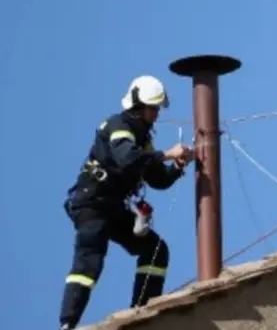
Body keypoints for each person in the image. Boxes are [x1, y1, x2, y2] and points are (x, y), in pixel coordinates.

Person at [59, 75, 193, 330]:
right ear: (138, 106)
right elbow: (128, 159)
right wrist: (167, 154)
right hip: (91, 204)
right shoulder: (118, 126)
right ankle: (68, 324)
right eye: (153, 108)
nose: (156, 114)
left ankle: (141, 313)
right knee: (89, 261)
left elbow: (157, 180)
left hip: (112, 208)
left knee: (155, 250)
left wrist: (177, 166)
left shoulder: (143, 139)